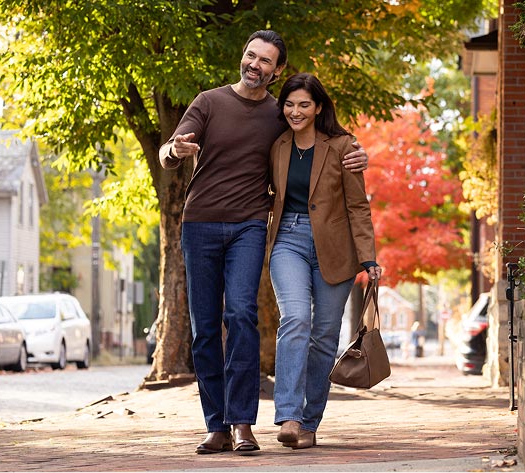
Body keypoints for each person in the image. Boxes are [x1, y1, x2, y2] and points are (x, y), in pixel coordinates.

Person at [158, 31, 368, 455]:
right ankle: (214, 424)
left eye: (265, 60)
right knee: (203, 328)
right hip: (199, 224)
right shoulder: (209, 101)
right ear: (243, 57)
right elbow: (171, 150)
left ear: (277, 71)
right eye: (250, 55)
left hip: (251, 226)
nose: (255, 64)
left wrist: (358, 155)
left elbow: (320, 138)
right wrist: (174, 150)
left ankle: (241, 424)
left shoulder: (280, 114)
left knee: (240, 315)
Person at [268, 73, 382, 450]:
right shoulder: (276, 144)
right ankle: (288, 415)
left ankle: (310, 421)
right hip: (288, 239)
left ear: (318, 107)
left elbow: (357, 207)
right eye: (289, 104)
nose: (295, 111)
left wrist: (368, 258)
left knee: (323, 337)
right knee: (296, 318)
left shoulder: (343, 147)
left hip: (335, 248)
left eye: (304, 104)